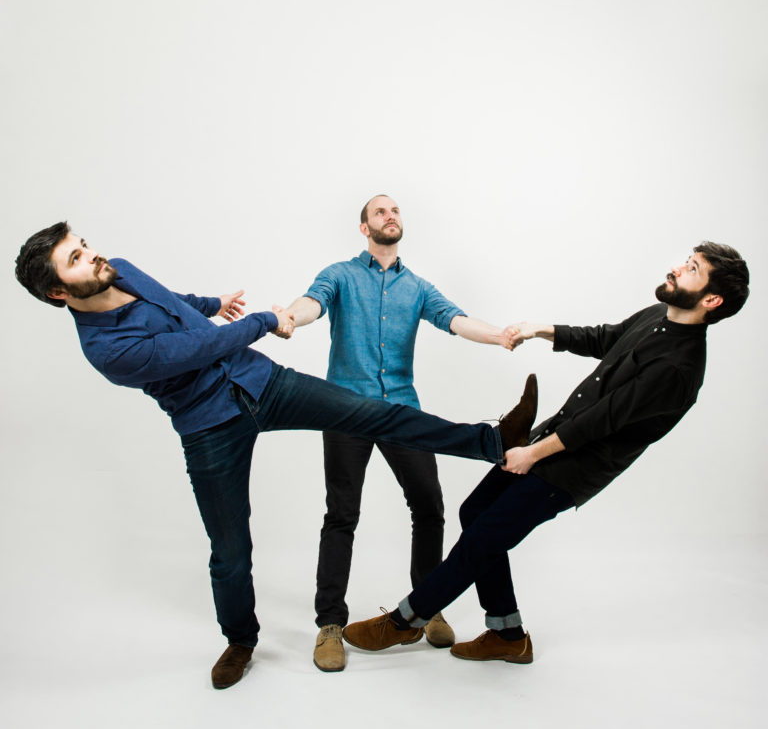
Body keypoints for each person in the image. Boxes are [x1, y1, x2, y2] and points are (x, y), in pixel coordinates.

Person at [14, 222, 530, 690]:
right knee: (229, 549)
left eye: (85, 245)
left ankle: (490, 441)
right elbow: (199, 350)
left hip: (262, 382)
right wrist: (265, 319)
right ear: (58, 292)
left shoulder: (121, 268)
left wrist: (211, 303)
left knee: (374, 413)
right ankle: (241, 641)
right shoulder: (106, 350)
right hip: (208, 425)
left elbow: (171, 301)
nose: (93, 255)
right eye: (76, 259)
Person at [343, 242, 750, 666]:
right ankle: (507, 634)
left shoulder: (679, 367)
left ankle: (406, 620)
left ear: (711, 300)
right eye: (685, 262)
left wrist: (533, 454)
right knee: (474, 513)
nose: (677, 269)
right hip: (552, 439)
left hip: (572, 467)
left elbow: (602, 421)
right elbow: (606, 338)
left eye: (691, 269)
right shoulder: (658, 316)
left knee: (484, 535)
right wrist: (541, 330)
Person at [284, 193, 520, 672]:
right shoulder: (340, 275)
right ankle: (329, 625)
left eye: (394, 211)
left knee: (429, 507)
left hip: (402, 411)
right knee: (342, 514)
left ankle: (425, 609)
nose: (389, 216)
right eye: (379, 211)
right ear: (364, 228)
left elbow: (455, 319)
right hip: (345, 409)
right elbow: (313, 302)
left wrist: (498, 335)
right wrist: (290, 316)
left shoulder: (416, 287)